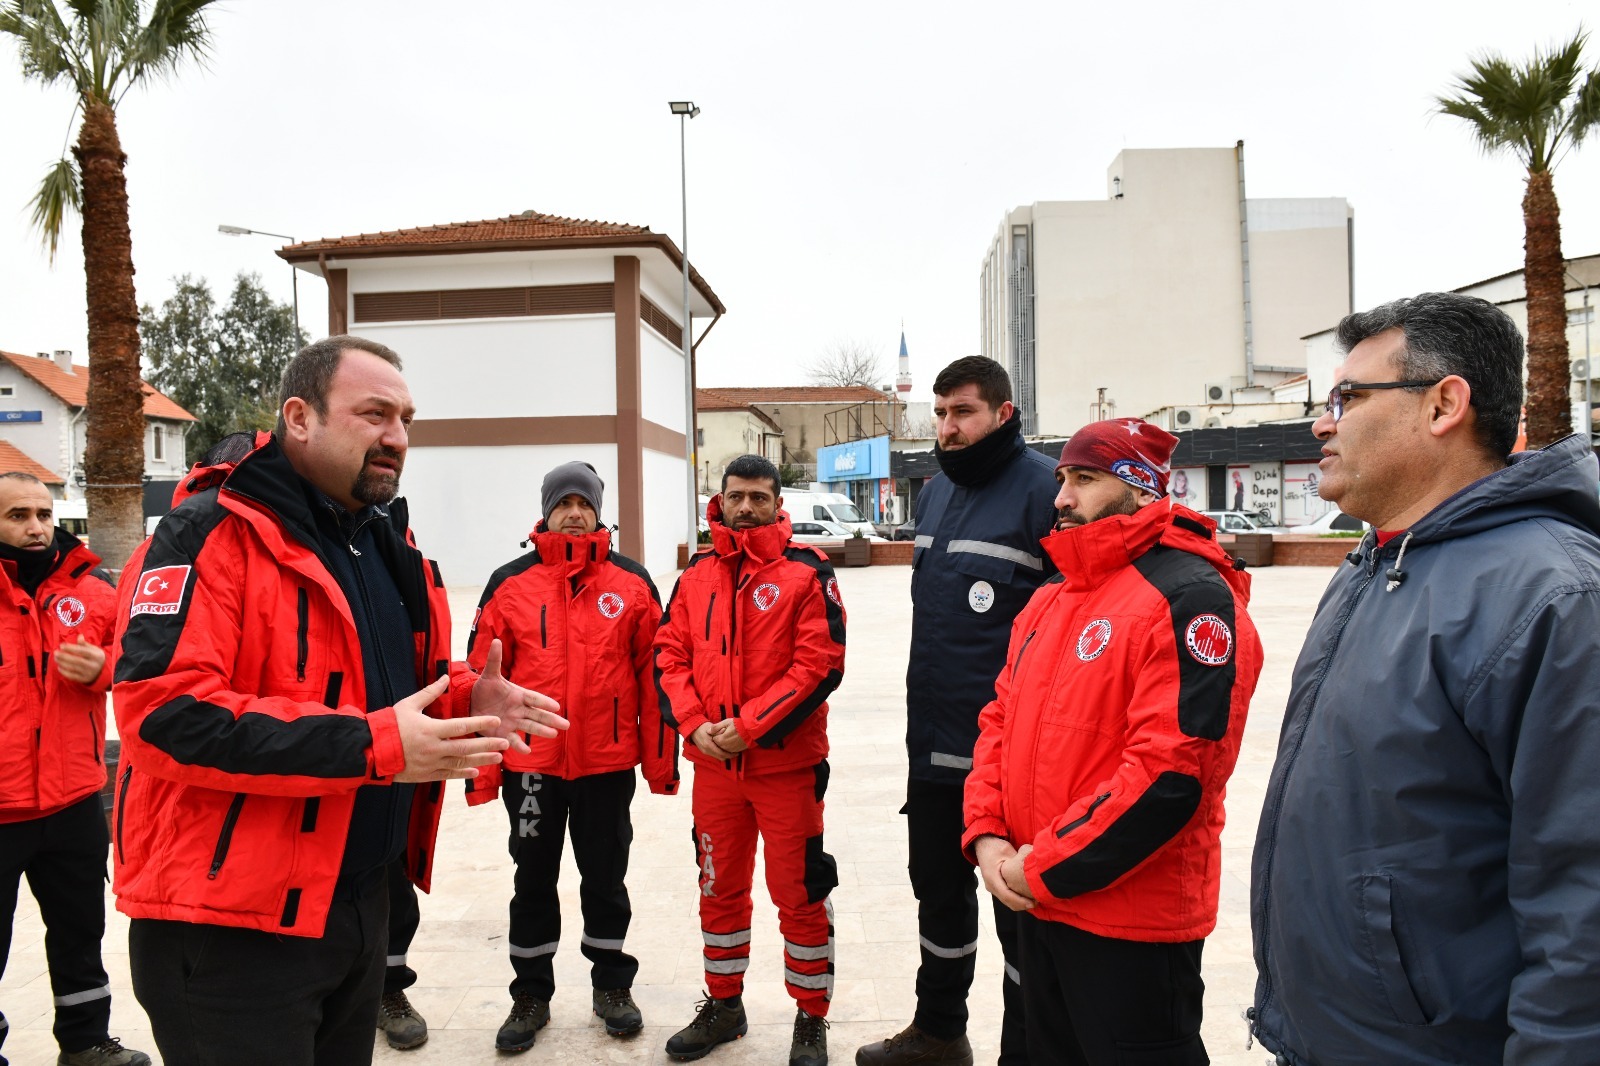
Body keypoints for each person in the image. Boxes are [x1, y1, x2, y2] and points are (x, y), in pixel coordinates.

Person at [110, 336, 568, 1066]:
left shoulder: (376, 542)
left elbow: (366, 693)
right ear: (300, 417)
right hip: (233, 933)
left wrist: (458, 698)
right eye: (375, 414)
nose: (398, 438)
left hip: (356, 910)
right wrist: (376, 745)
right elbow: (163, 718)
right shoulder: (204, 536)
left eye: (407, 419)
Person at [1250, 293, 1600, 1064]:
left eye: (1347, 396)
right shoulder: (1372, 566)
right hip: (1333, 1039)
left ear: (1445, 404)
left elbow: (1583, 899)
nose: (1322, 422)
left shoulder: (1554, 597)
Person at [963, 420, 1261, 1066]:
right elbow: (997, 721)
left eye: (1085, 479)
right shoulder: (1050, 598)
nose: (1062, 497)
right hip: (1034, 907)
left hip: (1129, 927)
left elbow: (1170, 779)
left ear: (1140, 489)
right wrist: (987, 833)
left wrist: (1038, 869)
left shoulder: (1190, 598)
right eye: (1064, 478)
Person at [857, 357, 1057, 1066]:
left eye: (963, 412)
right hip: (935, 750)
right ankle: (939, 1032)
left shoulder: (1047, 494)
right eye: (941, 413)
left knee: (1019, 920)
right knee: (938, 899)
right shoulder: (936, 494)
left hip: (1009, 762)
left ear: (1004, 413)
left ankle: (1024, 1051)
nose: (948, 427)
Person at [462, 460, 680, 1052]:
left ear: (599, 511)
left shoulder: (632, 586)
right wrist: (483, 774)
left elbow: (656, 679)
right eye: (564, 504)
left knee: (605, 880)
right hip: (530, 767)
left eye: (585, 503)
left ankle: (612, 986)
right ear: (547, 510)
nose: (575, 513)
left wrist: (661, 767)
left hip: (606, 767)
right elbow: (479, 683)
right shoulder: (509, 584)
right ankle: (530, 995)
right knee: (532, 879)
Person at [654, 454, 846, 1066]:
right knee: (718, 889)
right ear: (720, 499)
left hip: (785, 769)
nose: (745, 508)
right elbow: (669, 656)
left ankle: (810, 1017)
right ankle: (724, 1006)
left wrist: (748, 728)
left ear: (776, 503)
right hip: (714, 772)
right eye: (735, 496)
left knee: (800, 893)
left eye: (758, 497)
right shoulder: (696, 576)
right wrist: (694, 725)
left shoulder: (806, 573)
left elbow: (820, 666)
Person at [0, 472, 149, 1066]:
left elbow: (145, 659)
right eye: (17, 516)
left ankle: (86, 1043)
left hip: (73, 803)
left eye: (42, 513)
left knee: (80, 936)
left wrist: (107, 667)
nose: (36, 527)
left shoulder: (90, 589)